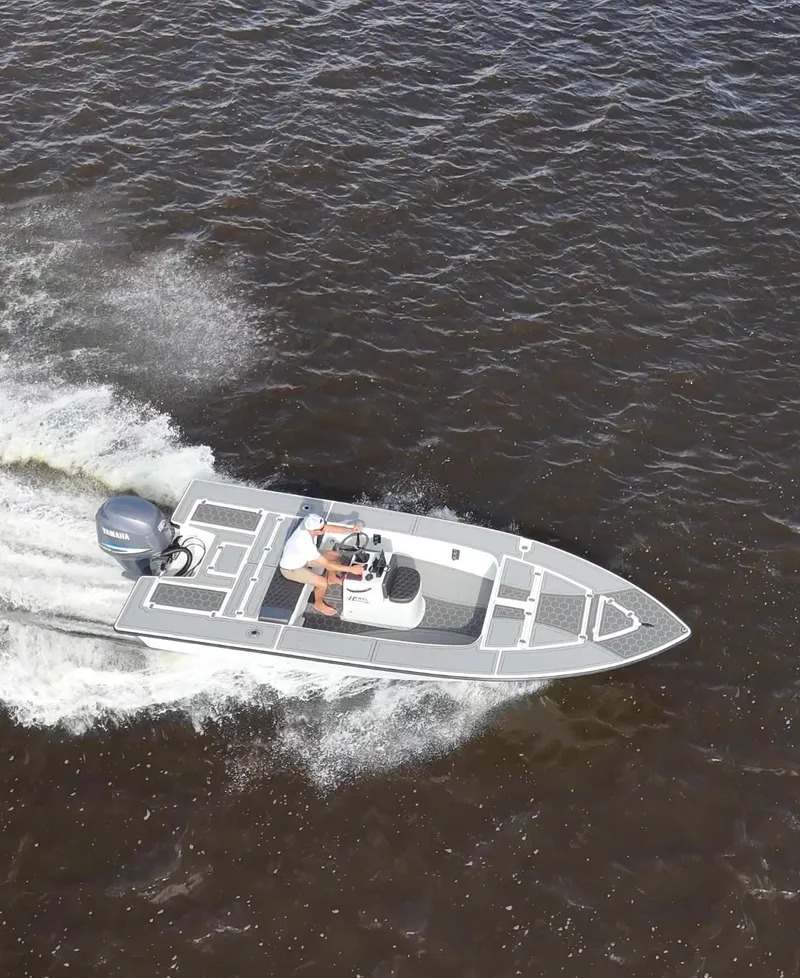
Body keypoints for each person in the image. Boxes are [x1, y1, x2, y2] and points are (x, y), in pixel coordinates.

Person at [279, 514, 365, 617]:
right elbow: (327, 565)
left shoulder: (309, 521)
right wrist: (351, 569)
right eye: (322, 529)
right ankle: (318, 604)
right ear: (314, 531)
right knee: (322, 583)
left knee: (334, 556)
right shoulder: (304, 543)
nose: (325, 529)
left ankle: (332, 578)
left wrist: (351, 530)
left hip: (303, 558)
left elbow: (327, 527)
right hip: (291, 569)